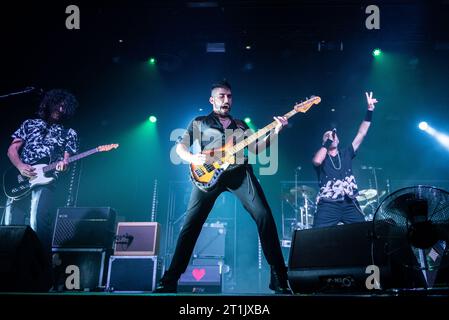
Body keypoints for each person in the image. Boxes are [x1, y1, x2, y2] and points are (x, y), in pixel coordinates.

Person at [155, 80, 291, 293]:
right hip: (207, 177)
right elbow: (180, 147)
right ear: (212, 99)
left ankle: (279, 278)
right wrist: (193, 157)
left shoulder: (240, 125)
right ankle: (170, 279)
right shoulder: (200, 122)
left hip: (239, 174)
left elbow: (256, 149)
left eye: (229, 96)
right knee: (190, 226)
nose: (226, 100)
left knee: (264, 216)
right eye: (221, 96)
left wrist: (276, 131)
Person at [4, 89, 79, 262]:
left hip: (46, 180)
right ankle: (8, 266)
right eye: (58, 105)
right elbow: (12, 149)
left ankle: (40, 265)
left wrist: (64, 165)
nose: (60, 110)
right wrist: (21, 165)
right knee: (10, 223)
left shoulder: (69, 133)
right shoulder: (30, 124)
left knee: (38, 221)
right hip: (21, 178)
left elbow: (66, 160)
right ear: (49, 103)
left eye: (64, 108)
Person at [311, 92, 378, 228]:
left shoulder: (346, 153)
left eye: (334, 136)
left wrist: (369, 110)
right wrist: (326, 143)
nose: (332, 137)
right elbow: (317, 161)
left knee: (363, 233)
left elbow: (361, 133)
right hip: (328, 204)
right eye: (328, 136)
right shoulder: (322, 156)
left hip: (349, 203)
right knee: (316, 236)